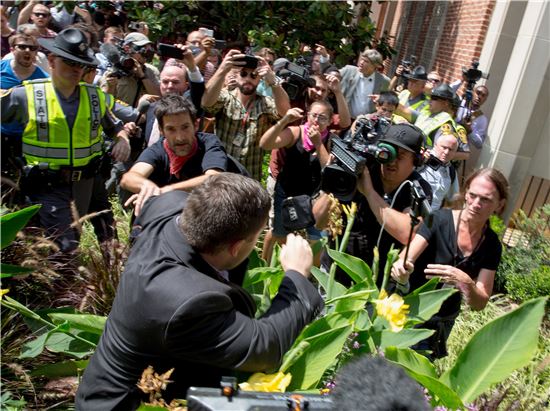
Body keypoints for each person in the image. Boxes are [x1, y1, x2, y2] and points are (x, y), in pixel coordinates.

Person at [76, 173, 323, 409]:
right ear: (236, 247)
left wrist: (150, 194)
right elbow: (264, 347)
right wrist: (296, 278)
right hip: (130, 404)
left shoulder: (169, 207)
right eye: (256, 238)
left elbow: (152, 202)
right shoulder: (186, 302)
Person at [0, 28, 131, 252]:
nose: (76, 69)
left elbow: (116, 128)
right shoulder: (26, 94)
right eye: (70, 62)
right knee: (65, 247)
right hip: (46, 185)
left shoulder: (94, 96)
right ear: (51, 60)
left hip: (85, 186)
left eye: (81, 64)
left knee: (74, 241)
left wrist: (123, 140)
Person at [391, 168, 509, 359]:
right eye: (472, 195)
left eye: (485, 199)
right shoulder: (439, 219)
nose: (476, 204)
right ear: (465, 193)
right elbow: (407, 257)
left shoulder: (492, 245)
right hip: (409, 312)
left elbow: (480, 303)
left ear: (499, 205)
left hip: (440, 322)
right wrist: (402, 269)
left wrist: (465, 282)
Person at [321, 123, 433, 288]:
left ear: (416, 161)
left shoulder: (417, 188)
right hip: (334, 273)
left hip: (374, 284)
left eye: (400, 156)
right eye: (388, 152)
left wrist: (369, 192)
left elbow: (405, 233)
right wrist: (330, 179)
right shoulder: (361, 169)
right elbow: (318, 222)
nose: (391, 161)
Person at [121, 94, 227, 216]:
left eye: (185, 127)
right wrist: (148, 188)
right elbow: (128, 178)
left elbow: (214, 178)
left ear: (196, 125)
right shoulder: (157, 150)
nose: (179, 137)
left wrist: (166, 191)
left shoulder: (209, 143)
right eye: (171, 129)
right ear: (161, 130)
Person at [260, 101, 334, 263]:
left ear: (329, 121)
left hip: (313, 197)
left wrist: (318, 144)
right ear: (307, 115)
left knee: (316, 238)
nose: (316, 120)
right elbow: (265, 144)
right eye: (314, 115)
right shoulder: (295, 133)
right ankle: (265, 270)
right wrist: (284, 120)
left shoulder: (330, 140)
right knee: (279, 235)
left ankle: (311, 279)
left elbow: (328, 169)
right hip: (286, 193)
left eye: (322, 118)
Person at [202, 49, 290, 181]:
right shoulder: (226, 97)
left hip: (249, 178)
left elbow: (285, 112)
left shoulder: (265, 103)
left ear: (259, 79)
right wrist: (223, 69)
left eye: (253, 75)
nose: (248, 79)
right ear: (236, 76)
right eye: (243, 74)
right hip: (222, 174)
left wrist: (273, 82)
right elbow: (206, 102)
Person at [100, 32, 160, 106]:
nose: (146, 53)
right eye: (141, 48)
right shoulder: (113, 72)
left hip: (142, 116)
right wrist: (110, 86)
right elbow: (104, 103)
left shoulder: (151, 71)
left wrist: (142, 76)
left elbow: (158, 99)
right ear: (127, 48)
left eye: (147, 49)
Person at [339, 48, 390, 118]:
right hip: (345, 119)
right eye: (362, 59)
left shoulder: (384, 81)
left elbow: (384, 103)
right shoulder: (349, 71)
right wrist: (324, 58)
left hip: (366, 123)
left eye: (366, 61)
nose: (361, 62)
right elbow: (331, 73)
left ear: (375, 65)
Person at [417, 133, 459, 210]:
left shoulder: (451, 172)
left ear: (455, 153)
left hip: (432, 218)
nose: (446, 152)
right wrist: (420, 160)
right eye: (444, 147)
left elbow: (453, 200)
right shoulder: (421, 159)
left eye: (451, 149)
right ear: (435, 145)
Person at [456, 85, 490, 176]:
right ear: (472, 92)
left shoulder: (482, 119)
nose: (479, 97)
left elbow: (479, 144)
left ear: (485, 100)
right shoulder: (459, 104)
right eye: (478, 93)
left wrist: (469, 130)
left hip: (458, 152)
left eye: (483, 96)